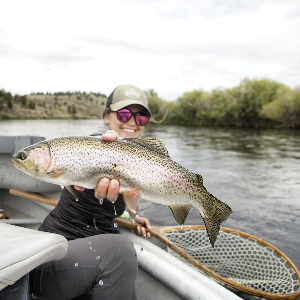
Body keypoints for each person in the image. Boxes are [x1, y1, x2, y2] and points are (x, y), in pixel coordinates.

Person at [30, 84, 153, 300]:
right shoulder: (95, 147)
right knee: (121, 251)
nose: (133, 121)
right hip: (48, 262)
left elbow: (108, 205)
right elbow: (100, 142)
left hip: (86, 260)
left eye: (141, 117)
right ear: (106, 116)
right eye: (124, 113)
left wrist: (132, 216)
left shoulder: (132, 157)